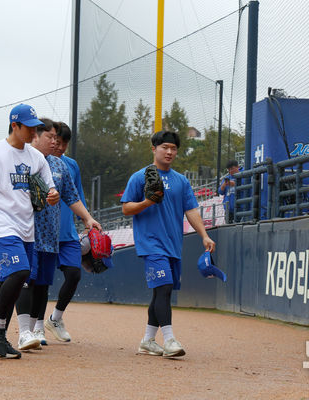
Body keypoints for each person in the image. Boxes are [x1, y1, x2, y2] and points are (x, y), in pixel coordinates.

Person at [0, 103, 59, 359]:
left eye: (36, 127)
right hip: (1, 227)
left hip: (26, 228)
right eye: (29, 127)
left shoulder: (36, 157)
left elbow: (50, 189)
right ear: (15, 125)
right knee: (21, 271)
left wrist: (52, 195)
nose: (34, 132)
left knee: (14, 281)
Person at [121, 130, 216, 358]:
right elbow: (126, 209)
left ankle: (147, 340)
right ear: (154, 149)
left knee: (160, 293)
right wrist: (147, 202)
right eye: (165, 147)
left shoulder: (181, 181)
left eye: (173, 148)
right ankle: (170, 339)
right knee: (163, 289)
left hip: (173, 245)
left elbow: (191, 210)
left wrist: (204, 235)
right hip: (151, 244)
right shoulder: (139, 177)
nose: (169, 151)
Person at [14, 118, 100, 351]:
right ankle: (19, 330)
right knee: (25, 280)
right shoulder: (19, 159)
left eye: (57, 138)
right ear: (36, 136)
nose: (55, 142)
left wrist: (87, 218)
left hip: (50, 236)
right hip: (24, 232)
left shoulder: (60, 165)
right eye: (50, 137)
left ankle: (33, 330)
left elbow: (72, 197)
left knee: (42, 284)